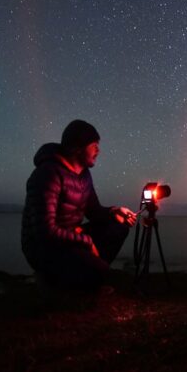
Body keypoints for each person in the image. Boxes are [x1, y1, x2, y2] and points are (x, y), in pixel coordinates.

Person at [21, 119, 137, 290]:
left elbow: (94, 212)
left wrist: (114, 211)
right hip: (43, 248)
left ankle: (87, 275)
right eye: (94, 144)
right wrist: (86, 241)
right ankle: (53, 277)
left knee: (118, 226)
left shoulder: (84, 175)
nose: (98, 150)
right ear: (77, 147)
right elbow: (44, 231)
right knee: (104, 274)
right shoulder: (48, 174)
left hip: (71, 239)